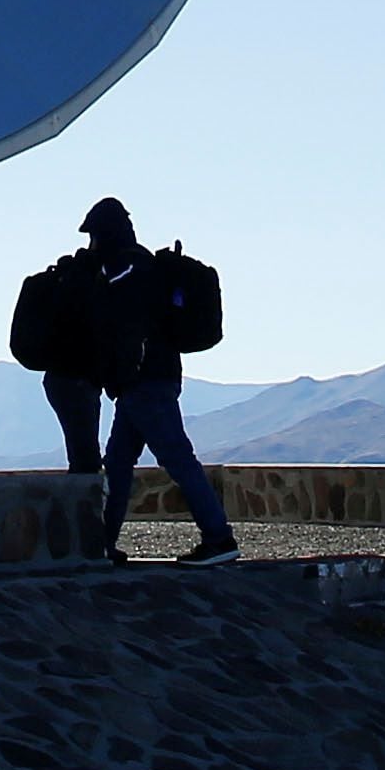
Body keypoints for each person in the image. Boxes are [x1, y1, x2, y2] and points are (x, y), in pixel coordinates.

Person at [77, 199, 237, 563]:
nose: (91, 244)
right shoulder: (143, 265)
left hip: (144, 383)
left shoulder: (126, 269)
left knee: (178, 459)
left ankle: (219, 538)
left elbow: (122, 326)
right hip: (145, 382)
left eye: (94, 236)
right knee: (117, 463)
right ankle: (103, 543)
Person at [8, 235, 108, 475]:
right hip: (77, 378)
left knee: (83, 454)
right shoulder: (87, 285)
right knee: (86, 458)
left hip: (61, 378)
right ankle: (85, 510)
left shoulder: (67, 282)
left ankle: (87, 509)